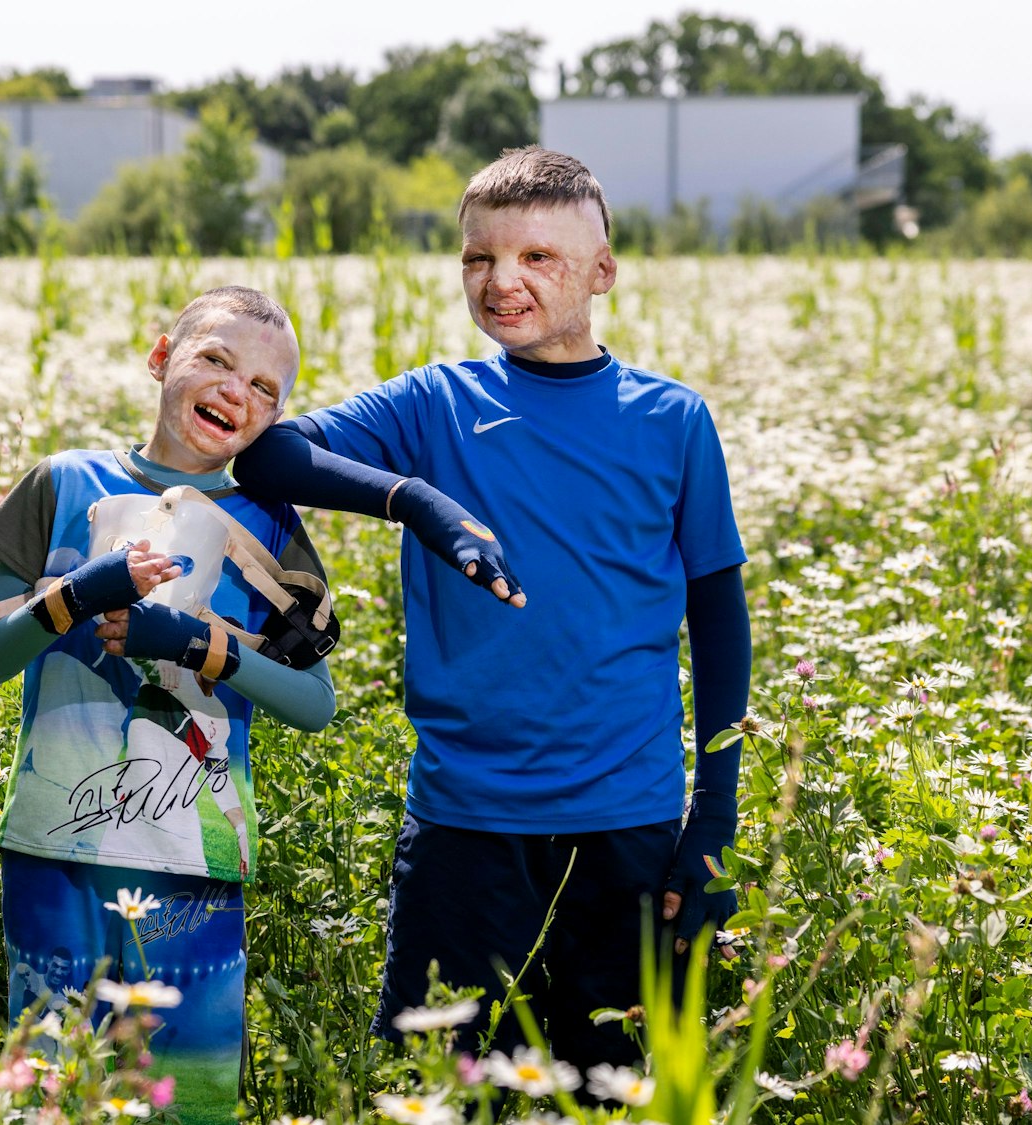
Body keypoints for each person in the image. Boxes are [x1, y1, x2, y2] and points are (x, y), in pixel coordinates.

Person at [231, 147, 753, 1072]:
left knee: (617, 1084)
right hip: (467, 820)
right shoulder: (436, 402)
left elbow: (719, 620)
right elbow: (267, 458)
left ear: (603, 271)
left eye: (537, 258)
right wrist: (416, 500)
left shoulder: (671, 419)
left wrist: (713, 821)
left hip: (628, 822)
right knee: (443, 1083)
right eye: (479, 259)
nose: (502, 281)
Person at [0, 286, 337, 1123]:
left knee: (186, 1100)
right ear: (163, 357)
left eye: (268, 389)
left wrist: (195, 643)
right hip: (54, 851)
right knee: (48, 1096)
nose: (239, 390)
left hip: (196, 862)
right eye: (216, 360)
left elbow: (315, 702)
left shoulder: (268, 528)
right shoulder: (62, 483)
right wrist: (82, 591)